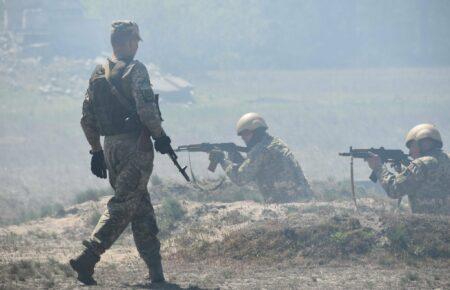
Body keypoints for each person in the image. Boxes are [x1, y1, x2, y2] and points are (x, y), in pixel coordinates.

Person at [70, 20, 171, 285]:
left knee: (141, 208)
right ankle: (88, 256)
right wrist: (160, 137)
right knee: (124, 205)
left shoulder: (97, 73)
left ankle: (156, 273)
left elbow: (86, 118)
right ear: (124, 42)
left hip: (111, 147)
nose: (137, 46)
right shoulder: (136, 70)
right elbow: (146, 110)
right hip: (135, 146)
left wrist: (96, 151)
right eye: (135, 40)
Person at [209, 112, 313, 203]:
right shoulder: (275, 143)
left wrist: (222, 160)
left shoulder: (261, 150)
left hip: (288, 202)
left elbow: (240, 178)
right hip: (303, 198)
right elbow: (251, 169)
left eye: (246, 134)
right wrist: (233, 154)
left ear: (256, 132)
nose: (243, 138)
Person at [367, 124, 450, 214]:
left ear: (423, 144)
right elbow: (429, 182)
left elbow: (394, 189)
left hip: (426, 225)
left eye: (412, 146)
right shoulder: (447, 159)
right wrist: (403, 171)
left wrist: (378, 167)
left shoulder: (420, 164)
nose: (410, 152)